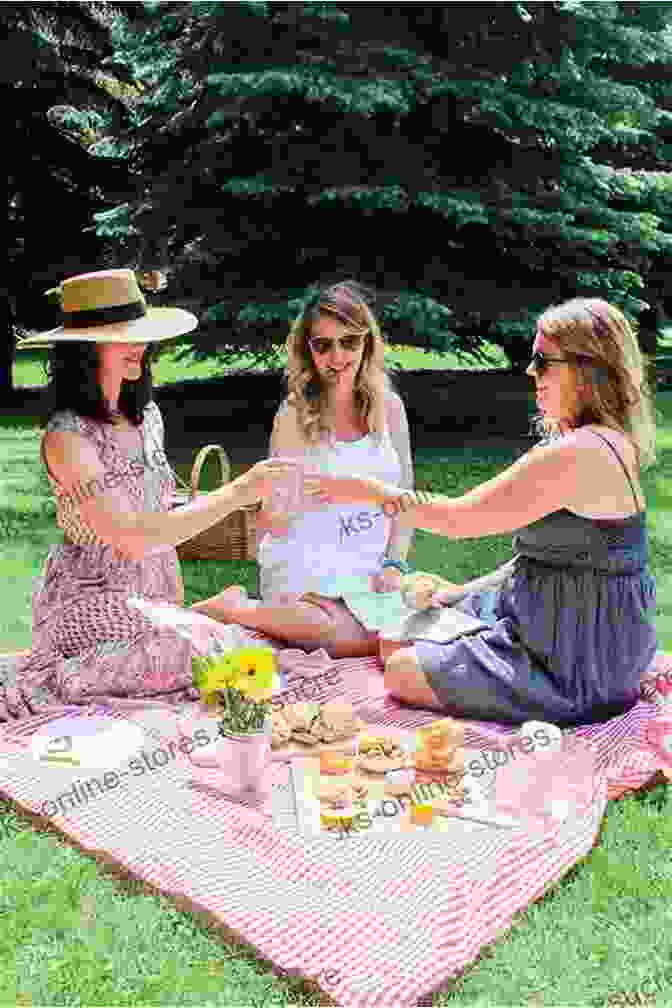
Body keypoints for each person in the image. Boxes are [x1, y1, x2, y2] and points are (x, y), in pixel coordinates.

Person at [303, 298, 661, 727]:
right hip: (553, 622)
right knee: (393, 641)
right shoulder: (599, 440)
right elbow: (548, 556)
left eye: (543, 361)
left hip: (578, 661)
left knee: (400, 668)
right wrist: (458, 591)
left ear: (586, 370)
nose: (530, 372)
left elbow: (459, 519)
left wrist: (367, 492)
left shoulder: (582, 454)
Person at [0, 269, 299, 720]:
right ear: (84, 350)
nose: (139, 346)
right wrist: (239, 491)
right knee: (199, 656)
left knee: (232, 651)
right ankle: (48, 675)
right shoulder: (67, 438)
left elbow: (156, 507)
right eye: (121, 337)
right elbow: (131, 537)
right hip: (89, 602)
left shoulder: (147, 417)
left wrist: (252, 509)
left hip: (153, 597)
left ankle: (201, 618)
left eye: (140, 334)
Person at [190, 280, 415, 658]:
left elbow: (405, 502)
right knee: (344, 636)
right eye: (322, 344)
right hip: (307, 560)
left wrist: (394, 564)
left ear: (367, 343)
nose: (337, 356)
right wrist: (274, 508)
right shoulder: (294, 415)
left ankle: (253, 612)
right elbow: (276, 519)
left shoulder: (390, 408)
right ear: (307, 349)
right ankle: (236, 608)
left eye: (349, 342)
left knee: (401, 635)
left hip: (369, 564)